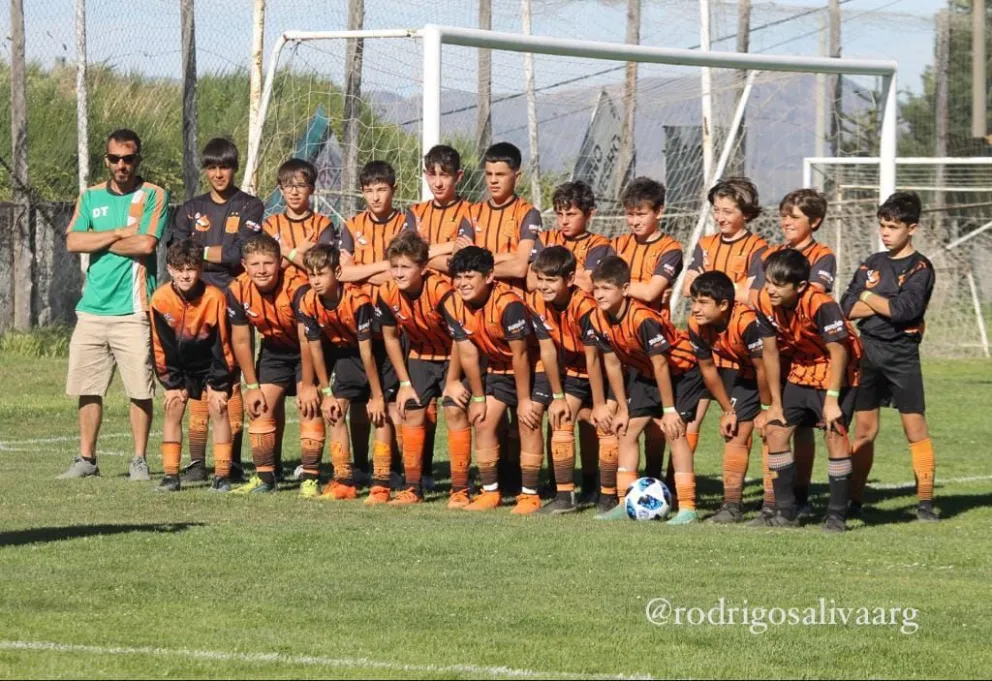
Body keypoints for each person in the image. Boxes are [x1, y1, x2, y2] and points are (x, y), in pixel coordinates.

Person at [60, 128, 169, 481]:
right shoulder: (90, 197)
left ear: (138, 159)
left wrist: (100, 241)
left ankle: (138, 459)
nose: (122, 165)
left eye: (129, 158)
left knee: (140, 389)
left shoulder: (154, 195)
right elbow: (74, 241)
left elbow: (146, 245)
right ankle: (86, 459)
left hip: (134, 310)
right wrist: (120, 233)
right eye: (115, 159)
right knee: (88, 387)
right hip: (92, 309)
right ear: (106, 160)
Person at [168, 136, 264, 484]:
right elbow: (177, 251)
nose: (218, 173)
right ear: (205, 169)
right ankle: (196, 463)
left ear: (234, 168)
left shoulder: (251, 206)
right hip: (193, 305)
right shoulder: (191, 207)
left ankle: (232, 461)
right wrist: (211, 252)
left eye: (224, 166)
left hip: (233, 303)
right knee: (196, 381)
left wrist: (199, 250)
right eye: (212, 167)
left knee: (229, 381)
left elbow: (240, 254)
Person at [841, 191, 939, 522]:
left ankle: (925, 503)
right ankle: (853, 499)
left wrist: (868, 297)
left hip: (901, 355)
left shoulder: (920, 267)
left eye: (893, 227)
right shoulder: (872, 263)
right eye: (882, 225)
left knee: (915, 428)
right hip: (867, 352)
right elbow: (845, 308)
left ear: (912, 228)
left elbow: (903, 311)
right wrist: (879, 300)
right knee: (864, 431)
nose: (885, 233)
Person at [589, 257, 703, 525]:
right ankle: (623, 501)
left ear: (625, 288)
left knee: (675, 433)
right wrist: (623, 408)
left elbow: (662, 364)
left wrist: (669, 410)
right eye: (596, 289)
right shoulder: (597, 318)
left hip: (681, 373)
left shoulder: (643, 320)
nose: (599, 295)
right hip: (645, 374)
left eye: (606, 288)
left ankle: (688, 507)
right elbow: (612, 363)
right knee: (626, 431)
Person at [753, 249, 861, 532]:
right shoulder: (765, 303)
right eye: (768, 282)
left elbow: (840, 352)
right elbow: (770, 353)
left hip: (838, 370)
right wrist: (774, 404)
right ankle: (787, 512)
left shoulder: (821, 304)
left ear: (800, 286)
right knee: (776, 431)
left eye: (778, 284)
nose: (770, 289)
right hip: (802, 368)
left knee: (834, 434)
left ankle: (836, 515)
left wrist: (832, 399)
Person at [749, 188, 836, 517]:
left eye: (794, 217)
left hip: (809, 356)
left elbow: (813, 297)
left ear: (814, 222)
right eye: (783, 215)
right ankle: (773, 500)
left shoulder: (823, 255)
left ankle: (799, 497)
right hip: (776, 351)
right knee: (773, 423)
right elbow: (755, 295)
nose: (785, 222)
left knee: (803, 429)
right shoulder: (771, 254)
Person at [377, 231, 473, 506]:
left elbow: (460, 337)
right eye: (394, 266)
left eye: (405, 267)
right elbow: (391, 338)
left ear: (422, 266)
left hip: (456, 354)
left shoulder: (442, 291)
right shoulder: (387, 292)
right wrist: (405, 383)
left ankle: (459, 489)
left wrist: (453, 379)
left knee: (454, 409)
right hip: (420, 356)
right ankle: (412, 488)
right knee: (411, 412)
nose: (398, 272)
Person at [445, 246, 544, 512]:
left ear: (489, 277)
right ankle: (490, 492)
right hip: (499, 368)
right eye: (458, 276)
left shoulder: (509, 305)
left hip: (533, 368)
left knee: (527, 421)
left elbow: (521, 355)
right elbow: (467, 352)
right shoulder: (453, 303)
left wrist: (523, 400)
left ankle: (529, 495)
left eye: (470, 276)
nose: (463, 283)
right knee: (483, 421)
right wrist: (478, 397)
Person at [225, 233, 322, 496]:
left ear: (279, 262)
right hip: (274, 350)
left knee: (309, 406)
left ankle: (310, 478)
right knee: (260, 409)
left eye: (268, 263)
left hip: (308, 349)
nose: (262, 270)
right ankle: (266, 477)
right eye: (255, 264)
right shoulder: (237, 289)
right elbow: (242, 340)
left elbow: (307, 339)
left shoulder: (297, 288)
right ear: (245, 265)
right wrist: (252, 385)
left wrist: (309, 384)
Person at [407, 144, 476, 490]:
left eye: (444, 175)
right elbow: (406, 257)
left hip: (457, 321)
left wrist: (427, 252)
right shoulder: (414, 212)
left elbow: (459, 265)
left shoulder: (470, 213)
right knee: (415, 407)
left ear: (457, 177)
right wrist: (446, 247)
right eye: (432, 174)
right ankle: (415, 482)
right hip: (419, 321)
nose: (437, 181)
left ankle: (461, 487)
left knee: (454, 407)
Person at [296, 245, 388, 502]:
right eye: (311, 274)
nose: (315, 280)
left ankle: (381, 483)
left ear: (338, 272)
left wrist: (377, 395)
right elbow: (314, 348)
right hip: (345, 354)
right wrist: (326, 392)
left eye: (321, 273)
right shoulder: (307, 302)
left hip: (378, 355)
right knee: (335, 411)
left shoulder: (358, 301)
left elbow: (368, 352)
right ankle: (344, 481)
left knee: (379, 414)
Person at [526, 246, 612, 514]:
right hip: (573, 372)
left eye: (551, 280)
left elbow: (595, 359)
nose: (544, 286)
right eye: (540, 279)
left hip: (604, 371)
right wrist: (558, 396)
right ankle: (565, 496)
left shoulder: (586, 307)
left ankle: (608, 496)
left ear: (570, 279)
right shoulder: (535, 302)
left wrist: (599, 403)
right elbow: (548, 351)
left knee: (605, 423)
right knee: (560, 417)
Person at [610, 177, 683, 482]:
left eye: (641, 214)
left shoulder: (670, 248)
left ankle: (655, 481)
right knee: (624, 423)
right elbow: (597, 285)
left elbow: (653, 292)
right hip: (622, 345)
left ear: (659, 212)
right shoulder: (617, 244)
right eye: (630, 214)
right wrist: (635, 290)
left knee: (657, 425)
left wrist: (624, 289)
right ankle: (616, 488)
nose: (634, 220)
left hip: (654, 344)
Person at [150, 239, 235, 492]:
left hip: (210, 365)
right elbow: (159, 344)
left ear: (200, 269)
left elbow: (223, 344)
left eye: (191, 268)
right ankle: (170, 476)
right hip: (181, 367)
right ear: (170, 269)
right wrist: (170, 383)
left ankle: (222, 476)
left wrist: (219, 384)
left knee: (218, 409)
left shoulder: (215, 297)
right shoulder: (160, 299)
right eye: (179, 269)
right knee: (173, 407)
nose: (185, 275)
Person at [687, 271, 770, 523]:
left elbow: (765, 367)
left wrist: (767, 408)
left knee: (774, 433)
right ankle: (732, 506)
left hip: (779, 373)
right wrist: (728, 410)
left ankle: (776, 505)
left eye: (703, 302)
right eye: (693, 301)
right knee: (735, 434)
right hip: (747, 373)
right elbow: (709, 369)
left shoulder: (747, 322)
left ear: (723, 305)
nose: (696, 309)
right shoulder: (695, 325)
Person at [528, 181, 614, 294]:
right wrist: (575, 273)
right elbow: (531, 282)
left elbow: (587, 286)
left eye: (571, 214)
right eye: (559, 214)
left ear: (589, 214)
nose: (564, 221)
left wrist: (546, 273)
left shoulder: (599, 244)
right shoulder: (545, 238)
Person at [262, 158, 336, 277]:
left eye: (301, 185)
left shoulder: (323, 225)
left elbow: (322, 270)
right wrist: (300, 250)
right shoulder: (270, 225)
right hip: (276, 293)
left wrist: (287, 252)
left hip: (311, 291)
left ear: (311, 189)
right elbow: (266, 270)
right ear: (281, 190)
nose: (294, 192)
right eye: (288, 186)